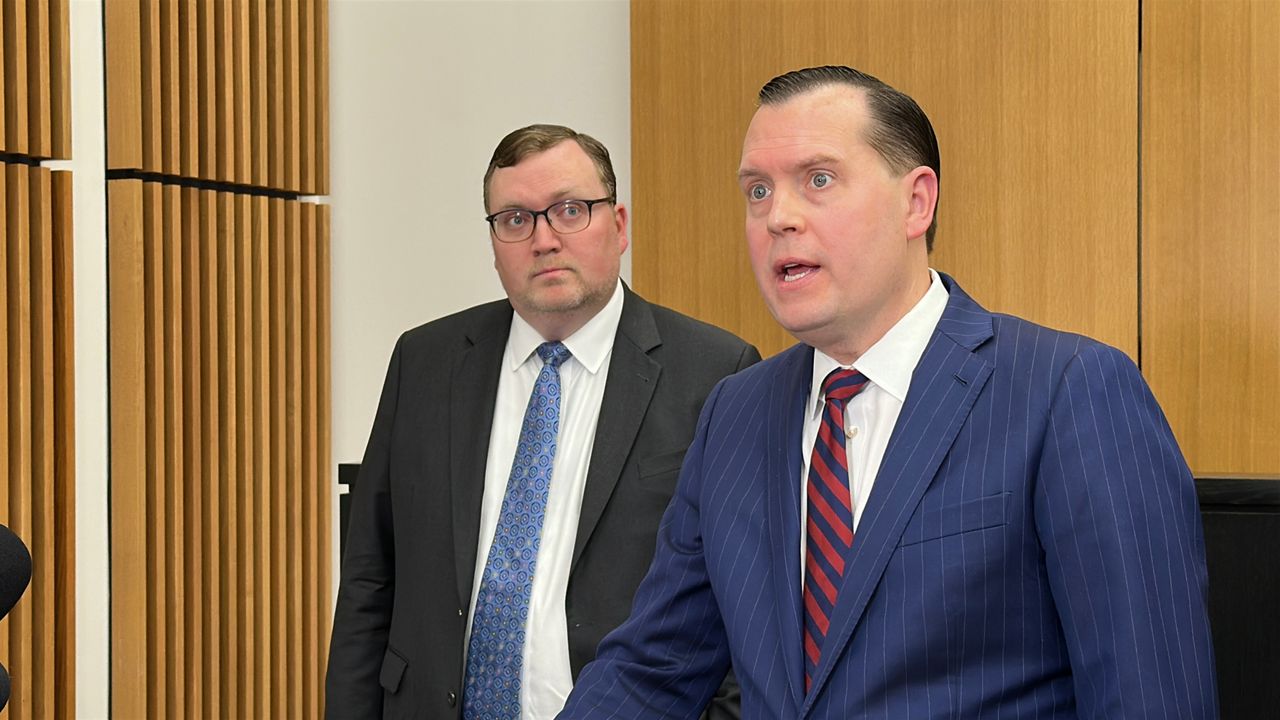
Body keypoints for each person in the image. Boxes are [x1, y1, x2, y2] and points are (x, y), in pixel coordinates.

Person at [559, 66, 1217, 718]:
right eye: (758, 190)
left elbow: (1150, 697)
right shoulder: (733, 413)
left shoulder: (1069, 391)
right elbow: (652, 671)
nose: (778, 216)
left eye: (818, 180)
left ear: (916, 202)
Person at [326, 124, 759, 719]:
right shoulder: (424, 362)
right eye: (515, 219)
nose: (544, 240)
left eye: (570, 210)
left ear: (619, 225)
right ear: (494, 242)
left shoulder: (716, 373)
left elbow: (746, 603)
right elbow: (369, 580)